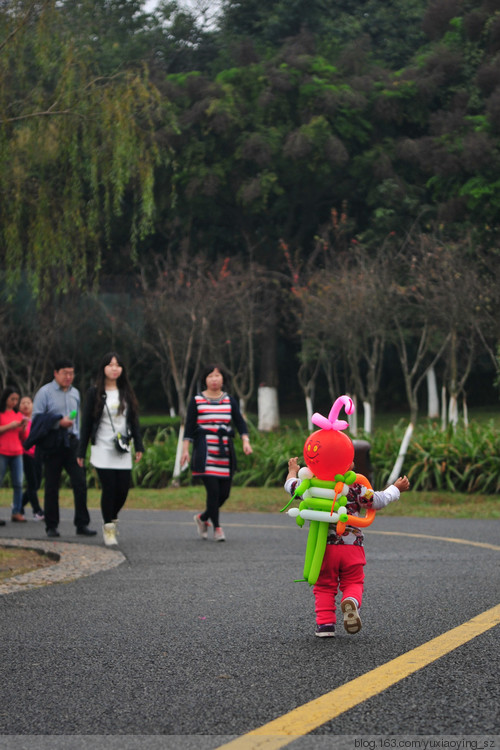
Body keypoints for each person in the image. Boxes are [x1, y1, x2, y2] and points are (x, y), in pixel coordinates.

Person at [285, 456, 410, 637]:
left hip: (323, 547)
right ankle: (350, 601)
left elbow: (291, 487)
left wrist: (292, 471)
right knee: (353, 581)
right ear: (349, 464)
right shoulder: (356, 486)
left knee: (324, 586)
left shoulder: (311, 484)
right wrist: (395, 489)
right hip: (352, 546)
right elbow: (377, 500)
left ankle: (325, 626)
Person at [77, 352, 144, 547]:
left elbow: (134, 421)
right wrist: (81, 451)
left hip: (122, 447)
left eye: (117, 365)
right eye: (110, 365)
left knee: (123, 488)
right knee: (109, 487)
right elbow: (87, 424)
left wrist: (139, 445)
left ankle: (112, 516)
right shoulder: (94, 392)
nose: (114, 368)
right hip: (102, 447)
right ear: (103, 368)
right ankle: (108, 528)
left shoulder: (126, 392)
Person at [181, 363, 253, 542]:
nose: (214, 379)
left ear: (223, 379)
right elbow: (189, 428)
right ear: (205, 379)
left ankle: (203, 518)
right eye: (210, 376)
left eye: (217, 375)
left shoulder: (229, 400)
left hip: (224, 451)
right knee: (212, 492)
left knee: (224, 493)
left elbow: (240, 423)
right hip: (205, 452)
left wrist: (246, 441)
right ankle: (218, 528)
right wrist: (185, 451)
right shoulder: (196, 400)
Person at [30, 358, 96, 538]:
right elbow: (35, 419)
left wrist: (81, 442)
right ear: (56, 373)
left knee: (80, 482)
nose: (69, 377)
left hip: (72, 442)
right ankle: (51, 525)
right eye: (65, 373)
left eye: (71, 373)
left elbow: (79, 420)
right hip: (53, 443)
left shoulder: (75, 392)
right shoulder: (45, 392)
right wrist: (58, 423)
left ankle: (82, 523)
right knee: (52, 485)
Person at [0, 387, 29, 523]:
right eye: (12, 399)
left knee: (18, 482)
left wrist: (22, 427)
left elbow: (23, 436)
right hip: (2, 452)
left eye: (17, 400)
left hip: (17, 452)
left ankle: (16, 511)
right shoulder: (1, 414)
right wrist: (10, 426)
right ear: (6, 399)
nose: (15, 402)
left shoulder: (18, 415)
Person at [19, 396, 44, 521]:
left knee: (37, 483)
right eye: (23, 403)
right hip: (25, 454)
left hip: (37, 454)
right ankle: (37, 511)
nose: (26, 405)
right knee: (32, 483)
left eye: (28, 403)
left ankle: (19, 505)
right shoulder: (19, 420)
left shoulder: (35, 420)